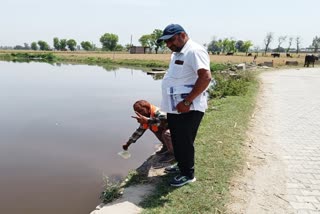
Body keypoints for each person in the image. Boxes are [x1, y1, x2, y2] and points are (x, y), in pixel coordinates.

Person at [157, 24, 212, 187]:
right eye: (166, 42)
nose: (168, 45)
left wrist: (188, 101)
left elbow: (205, 78)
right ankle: (181, 165)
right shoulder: (177, 52)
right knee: (177, 138)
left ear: (182, 35)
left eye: (171, 40)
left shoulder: (194, 51)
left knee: (184, 141)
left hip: (189, 107)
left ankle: (188, 174)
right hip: (177, 106)